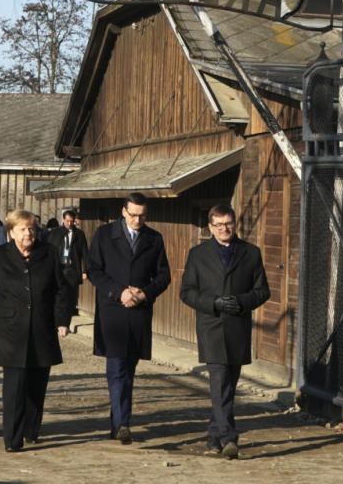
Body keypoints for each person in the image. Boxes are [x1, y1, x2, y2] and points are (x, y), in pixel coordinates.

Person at [180, 205, 271, 459]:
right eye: (218, 224)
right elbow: (186, 291)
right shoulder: (198, 254)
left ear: (235, 223)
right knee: (219, 383)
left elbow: (262, 291)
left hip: (237, 328)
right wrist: (213, 303)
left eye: (228, 223)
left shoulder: (251, 253)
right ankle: (230, 438)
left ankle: (213, 437)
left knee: (228, 386)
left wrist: (242, 301)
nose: (224, 228)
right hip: (211, 327)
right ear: (210, 227)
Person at [0, 209, 72, 452]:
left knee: (37, 384)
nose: (28, 233)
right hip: (11, 330)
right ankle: (12, 438)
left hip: (42, 327)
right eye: (22, 229)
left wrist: (62, 320)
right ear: (11, 233)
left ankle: (31, 429)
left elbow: (61, 290)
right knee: (14, 386)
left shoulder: (48, 253)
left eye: (31, 228)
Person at [85, 191, 171, 445]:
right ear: (124, 211)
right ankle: (122, 423)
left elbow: (164, 276)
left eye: (142, 216)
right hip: (112, 311)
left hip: (138, 313)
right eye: (133, 215)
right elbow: (93, 270)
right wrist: (118, 292)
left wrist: (144, 294)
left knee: (128, 371)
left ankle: (119, 421)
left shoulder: (154, 239)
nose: (137, 220)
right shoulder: (104, 235)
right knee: (115, 368)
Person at [47, 208, 88, 320]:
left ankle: (66, 322)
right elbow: (48, 250)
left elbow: (85, 253)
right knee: (58, 295)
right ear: (63, 220)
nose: (69, 223)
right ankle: (56, 320)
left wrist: (86, 270)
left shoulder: (79, 234)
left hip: (72, 269)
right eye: (67, 221)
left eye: (71, 221)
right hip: (58, 268)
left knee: (70, 296)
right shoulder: (54, 233)